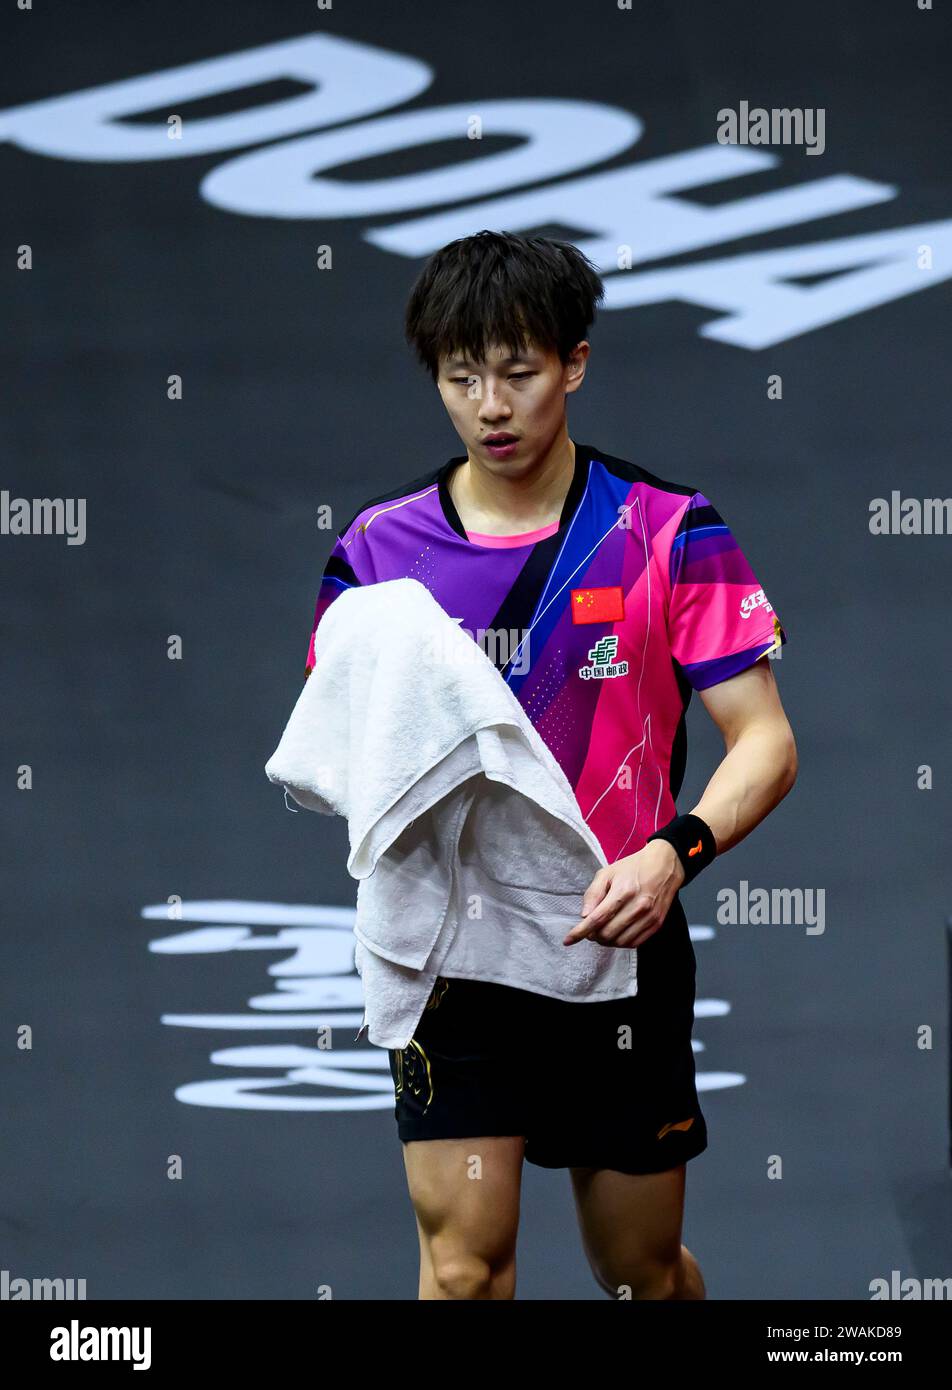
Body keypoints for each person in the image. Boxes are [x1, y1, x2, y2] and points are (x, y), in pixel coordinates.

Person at [302, 231, 797, 1299]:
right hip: (455, 958)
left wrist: (676, 853)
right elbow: (341, 748)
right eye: (461, 377)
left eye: (519, 372)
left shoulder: (666, 530)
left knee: (640, 1274)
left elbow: (762, 739)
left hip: (617, 948)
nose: (491, 406)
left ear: (573, 362)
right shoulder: (377, 556)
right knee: (465, 1268)